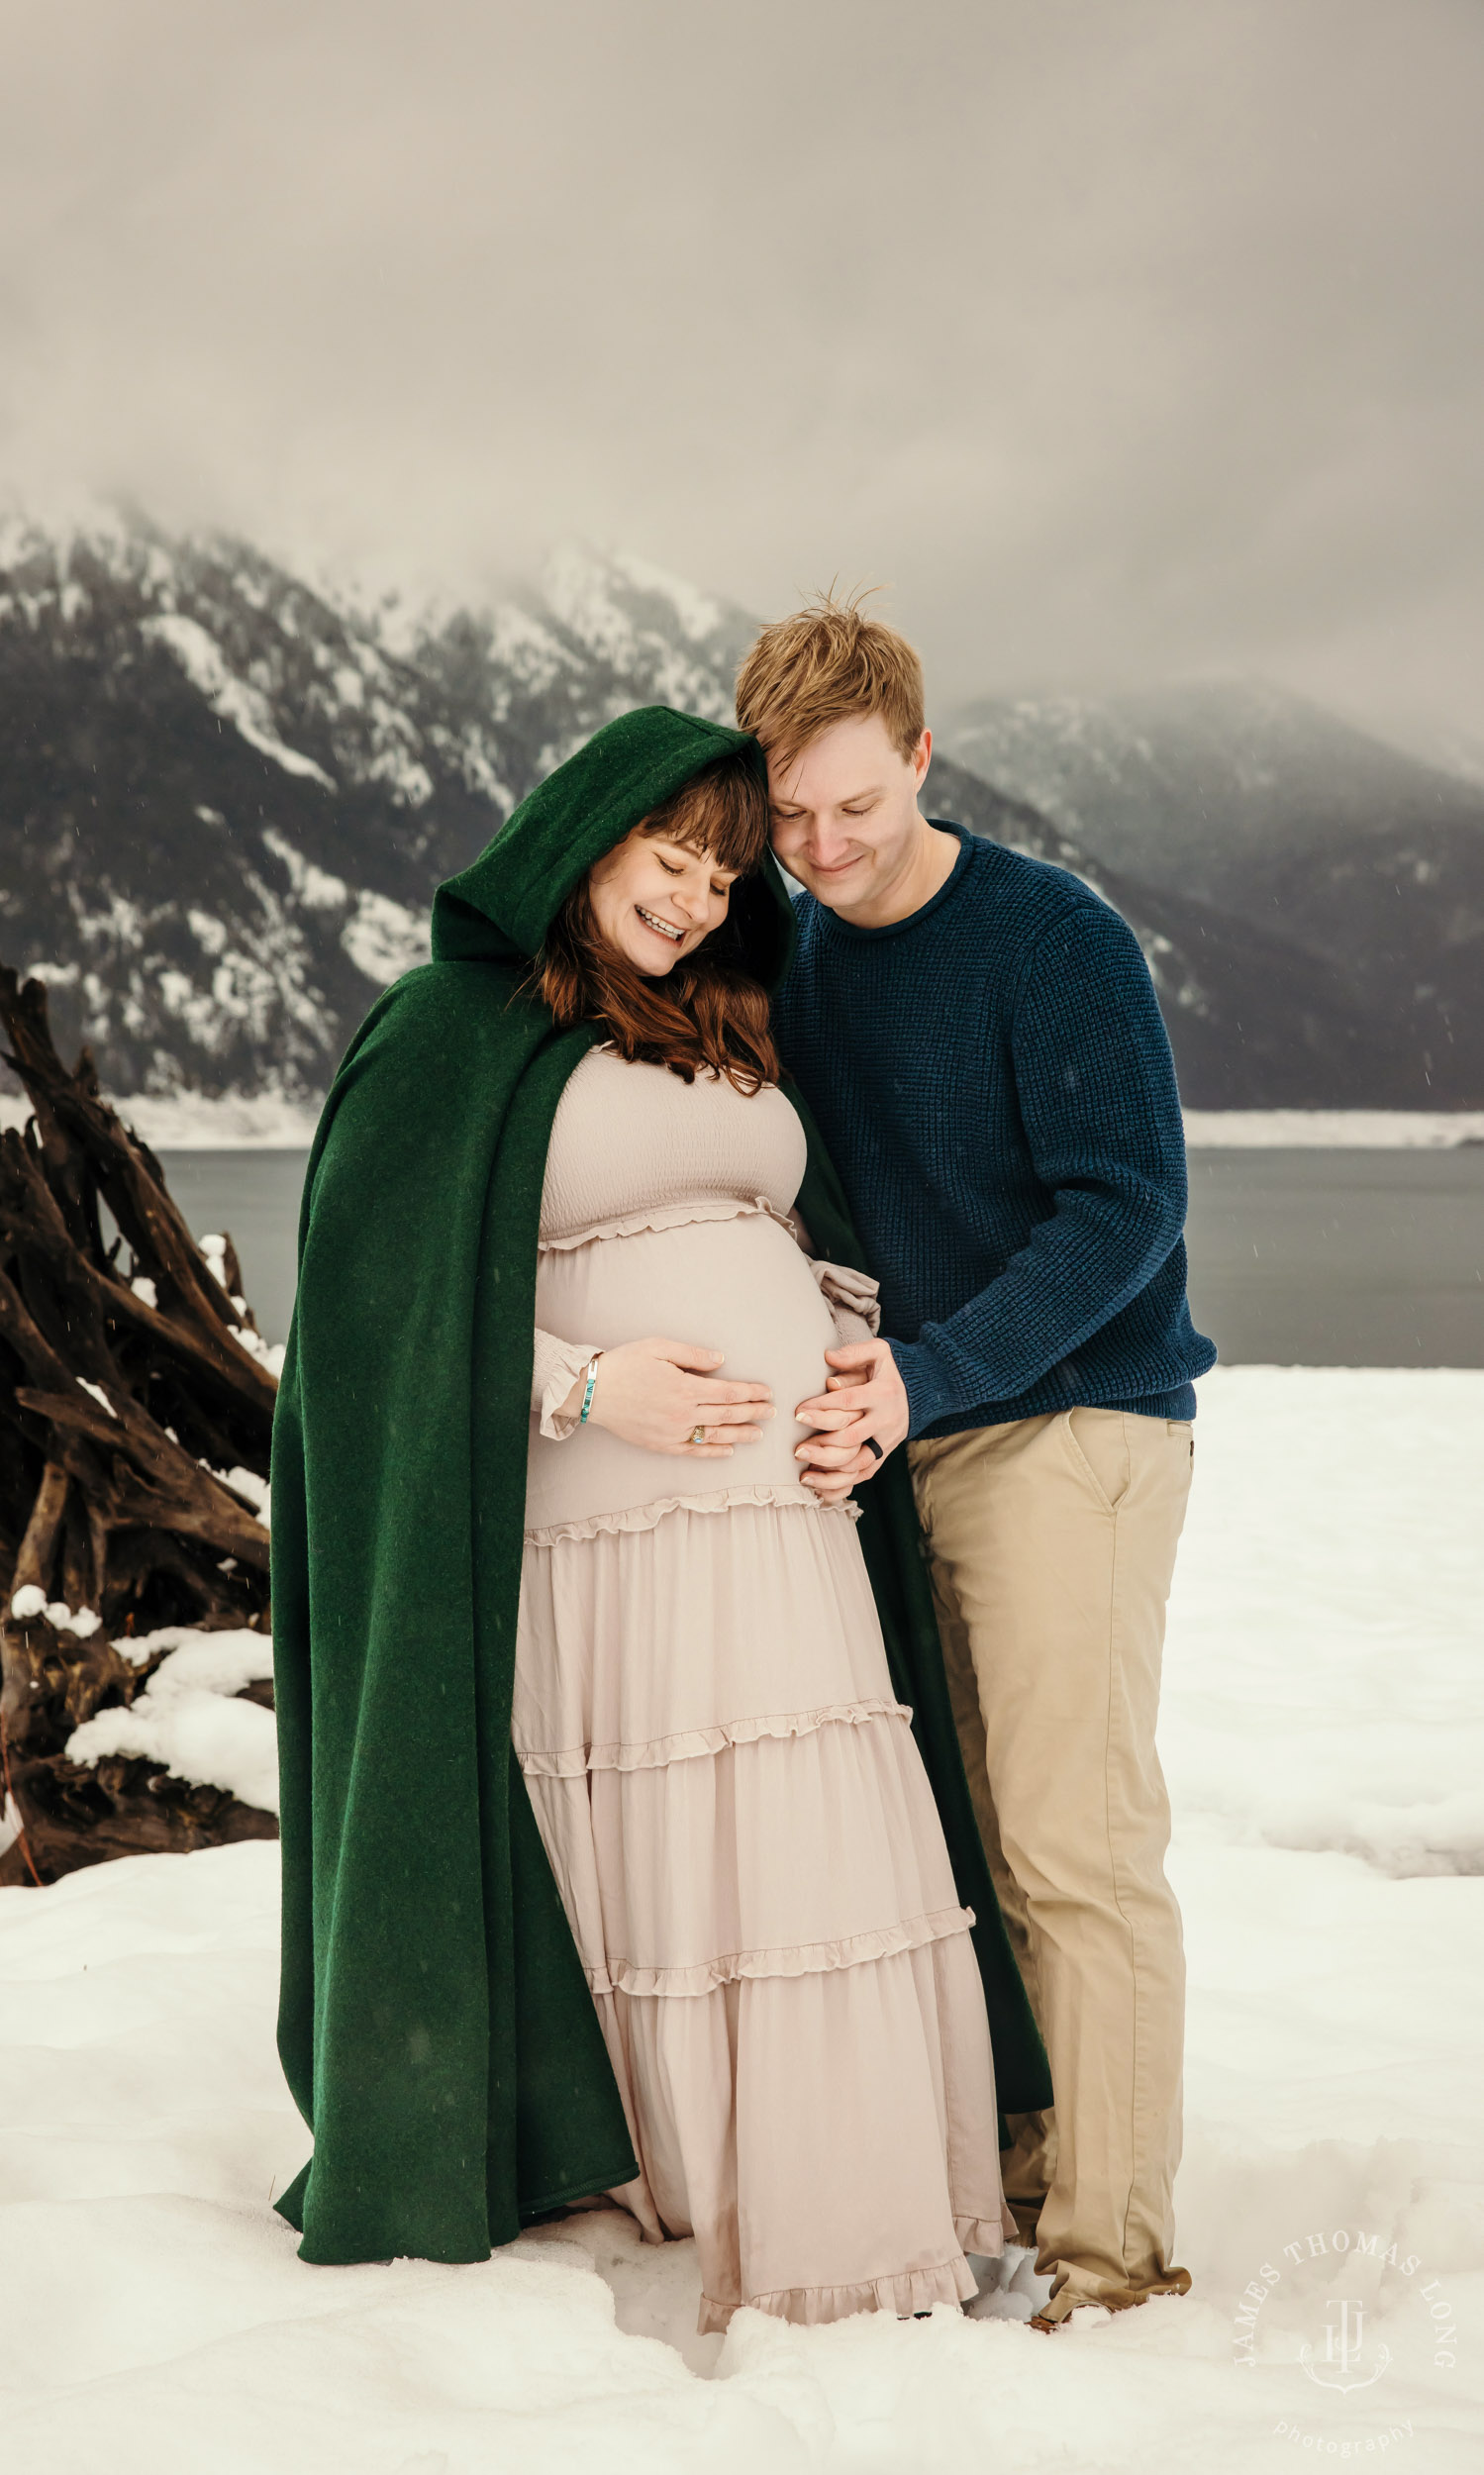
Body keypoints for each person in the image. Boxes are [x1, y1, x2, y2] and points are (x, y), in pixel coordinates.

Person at [270, 704, 1048, 2332]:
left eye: (725, 868)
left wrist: (843, 1360)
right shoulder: (444, 1029)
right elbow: (365, 1328)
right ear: (586, 836)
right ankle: (654, 2178)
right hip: (600, 1547)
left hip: (784, 1522)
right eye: (670, 855)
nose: (697, 895)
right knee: (665, 1863)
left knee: (802, 1853)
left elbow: (789, 1225)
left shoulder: (730, 1015)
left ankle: (829, 2203)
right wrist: (581, 1385)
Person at [737, 596, 1216, 2328]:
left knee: (1076, 1847)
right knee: (963, 1834)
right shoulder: (797, 952)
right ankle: (1025, 2164)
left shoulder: (1051, 939)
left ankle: (1116, 2255)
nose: (824, 848)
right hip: (909, 1438)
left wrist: (925, 1377)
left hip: (1074, 1425)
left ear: (922, 757)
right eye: (789, 820)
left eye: (855, 805)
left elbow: (1127, 1213)